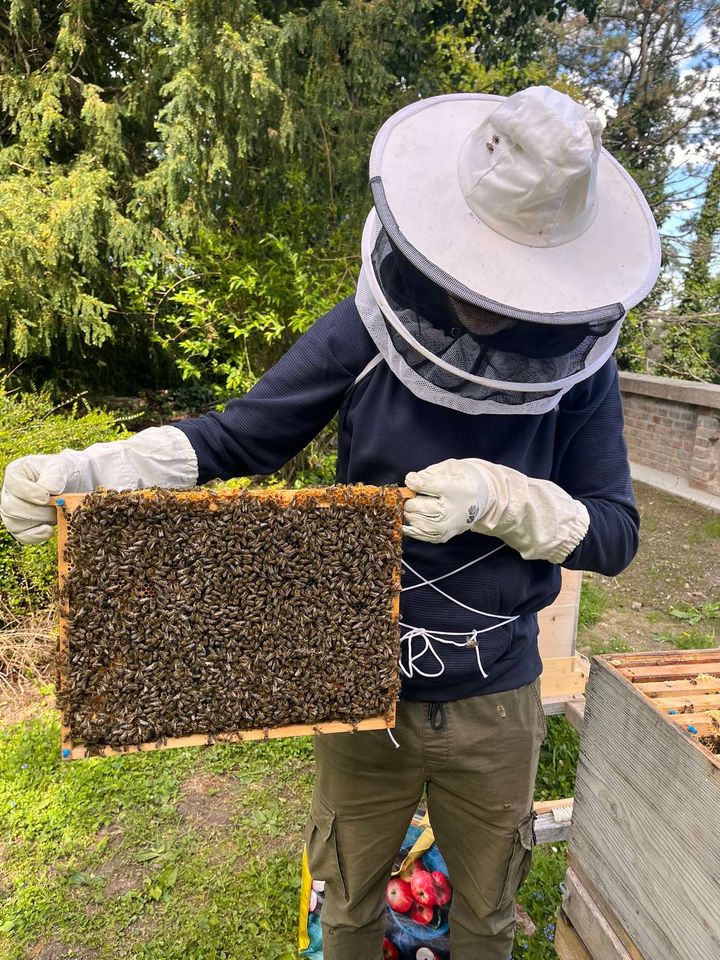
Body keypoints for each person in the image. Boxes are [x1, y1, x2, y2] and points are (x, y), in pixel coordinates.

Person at [1, 86, 660, 959]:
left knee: (490, 914)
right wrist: (96, 473)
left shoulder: (583, 376)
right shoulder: (366, 330)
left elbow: (615, 532)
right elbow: (243, 434)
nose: (490, 305)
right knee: (347, 907)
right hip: (357, 689)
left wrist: (510, 500)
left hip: (498, 697)